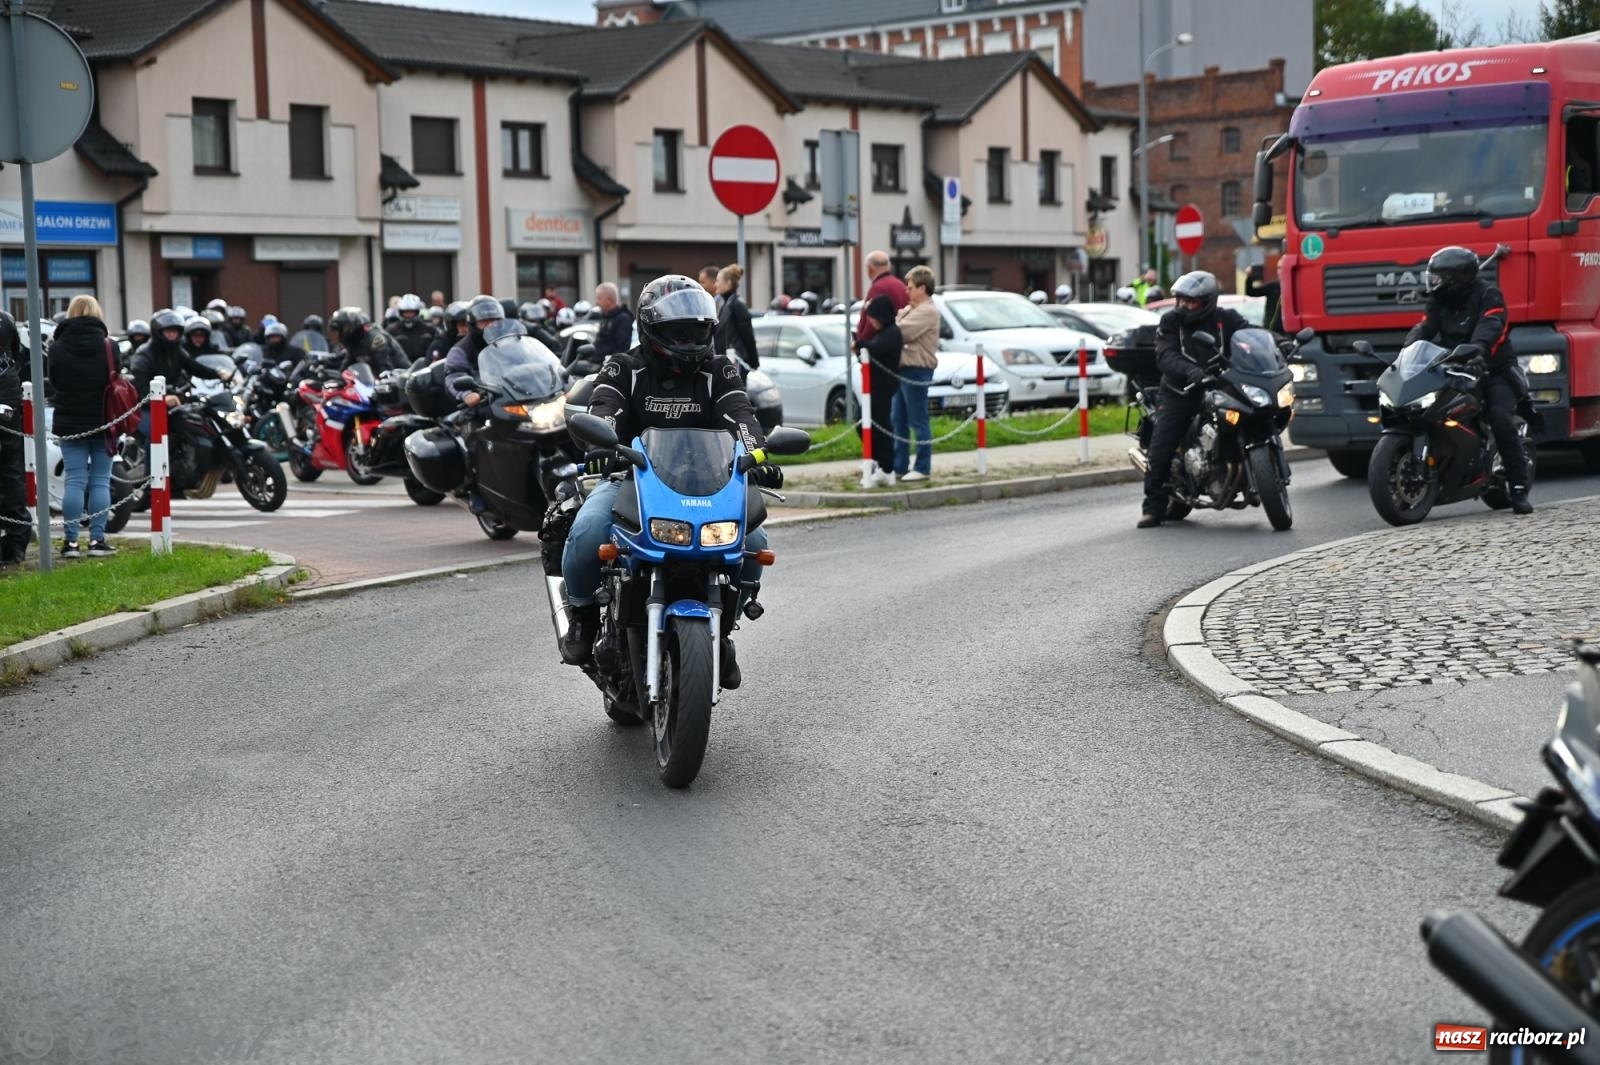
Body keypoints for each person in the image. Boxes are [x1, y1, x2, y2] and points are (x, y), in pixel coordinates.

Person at [560, 275, 780, 688]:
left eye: (696, 330)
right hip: (633, 480)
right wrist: (600, 445)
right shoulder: (623, 367)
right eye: (678, 331)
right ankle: (584, 616)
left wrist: (759, 455)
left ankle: (726, 628)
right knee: (588, 530)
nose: (689, 338)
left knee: (754, 542)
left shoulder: (720, 370)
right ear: (650, 327)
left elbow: (741, 415)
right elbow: (604, 408)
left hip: (710, 486)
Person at [1405, 245, 1531, 514]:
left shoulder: (1489, 295)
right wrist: (1407, 352)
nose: (1433, 283)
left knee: (1499, 417)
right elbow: (1425, 327)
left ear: (1456, 278)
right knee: (1426, 408)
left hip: (1492, 369)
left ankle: (1518, 487)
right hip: (1453, 368)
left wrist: (1478, 352)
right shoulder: (1440, 301)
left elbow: (1491, 326)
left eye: (1438, 278)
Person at [1138, 270, 1252, 528]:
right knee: (1162, 446)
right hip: (1181, 391)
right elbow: (1166, 355)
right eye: (1180, 300)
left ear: (1208, 301)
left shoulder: (1227, 319)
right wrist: (1192, 372)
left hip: (1222, 387)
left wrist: (1277, 346)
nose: (1184, 306)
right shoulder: (1170, 322)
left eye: (1191, 301)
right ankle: (1153, 507)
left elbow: (1251, 337)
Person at [45, 296, 117, 558]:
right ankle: (97, 541)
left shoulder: (57, 348)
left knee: (74, 481)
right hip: (104, 420)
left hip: (70, 421)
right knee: (100, 482)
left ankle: (71, 543)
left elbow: (55, 382)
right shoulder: (110, 347)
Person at [892, 265, 939, 483]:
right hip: (903, 368)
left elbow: (901, 332)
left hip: (917, 369)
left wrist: (898, 321)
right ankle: (899, 465)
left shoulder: (927, 310)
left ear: (922, 287)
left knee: (918, 420)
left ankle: (922, 466)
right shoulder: (912, 308)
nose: (906, 291)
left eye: (910, 287)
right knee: (898, 419)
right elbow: (898, 322)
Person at [858, 294, 903, 487]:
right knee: (864, 424)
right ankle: (876, 461)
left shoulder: (892, 333)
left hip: (883, 387)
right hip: (874, 387)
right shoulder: (883, 333)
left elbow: (877, 348)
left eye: (874, 317)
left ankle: (886, 468)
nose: (872, 321)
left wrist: (861, 345)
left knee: (881, 427)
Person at [0, 311, 30, 565]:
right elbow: (18, 354)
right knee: (12, 470)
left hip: (7, 392)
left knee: (11, 469)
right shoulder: (5, 319)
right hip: (8, 392)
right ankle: (17, 539)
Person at [856, 250, 908, 348]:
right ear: (889, 266)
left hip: (880, 349)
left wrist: (862, 343)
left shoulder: (878, 287)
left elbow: (872, 321)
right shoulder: (901, 285)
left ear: (870, 269)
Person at [329, 307, 402, 374]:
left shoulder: (375, 339)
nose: (341, 334)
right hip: (377, 381)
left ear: (353, 326)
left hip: (400, 380)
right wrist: (337, 377)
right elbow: (347, 364)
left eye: (343, 329)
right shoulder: (354, 344)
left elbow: (385, 368)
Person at [714, 264, 758, 366]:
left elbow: (747, 336)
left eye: (718, 281)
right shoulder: (727, 304)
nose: (715, 284)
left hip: (736, 362)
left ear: (728, 283)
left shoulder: (736, 305)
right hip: (728, 362)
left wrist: (754, 363)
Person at [389, 292, 436, 365]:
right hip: (399, 370)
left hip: (424, 369)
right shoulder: (391, 330)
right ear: (401, 312)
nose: (408, 315)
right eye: (405, 312)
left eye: (411, 312)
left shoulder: (430, 330)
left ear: (417, 312)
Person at [590, 282, 633, 360]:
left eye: (599, 298)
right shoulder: (605, 317)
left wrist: (609, 362)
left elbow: (622, 348)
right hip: (598, 363)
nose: (597, 302)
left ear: (609, 300)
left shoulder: (623, 319)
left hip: (610, 367)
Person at [1244, 263, 1285, 335]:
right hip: (1270, 330)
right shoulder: (1273, 287)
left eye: (1282, 268)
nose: (1279, 271)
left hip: (1286, 331)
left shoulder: (1294, 287)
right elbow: (1250, 292)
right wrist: (1249, 277)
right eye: (1278, 268)